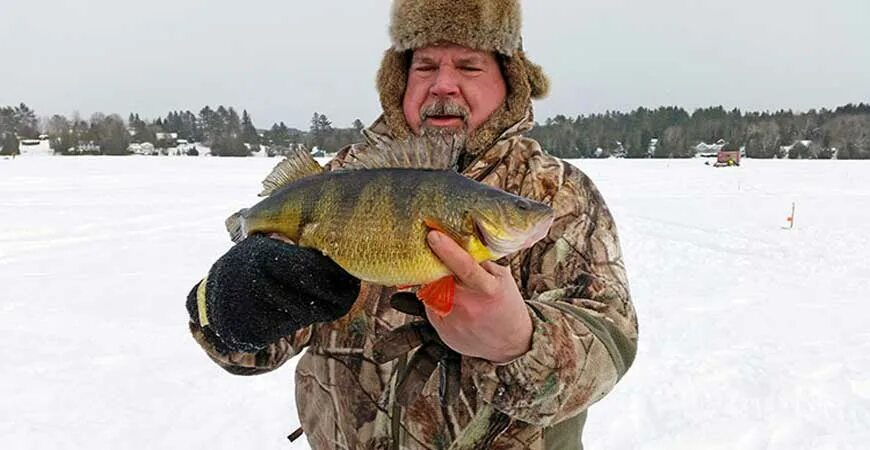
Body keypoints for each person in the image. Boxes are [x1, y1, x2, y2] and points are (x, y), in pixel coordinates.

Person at [186, 1, 638, 448]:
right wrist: (231, 306)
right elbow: (252, 351)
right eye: (424, 66)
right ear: (399, 80)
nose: (444, 84)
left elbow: (610, 344)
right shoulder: (342, 179)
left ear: (509, 82)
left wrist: (519, 342)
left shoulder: (557, 192)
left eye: (469, 66)